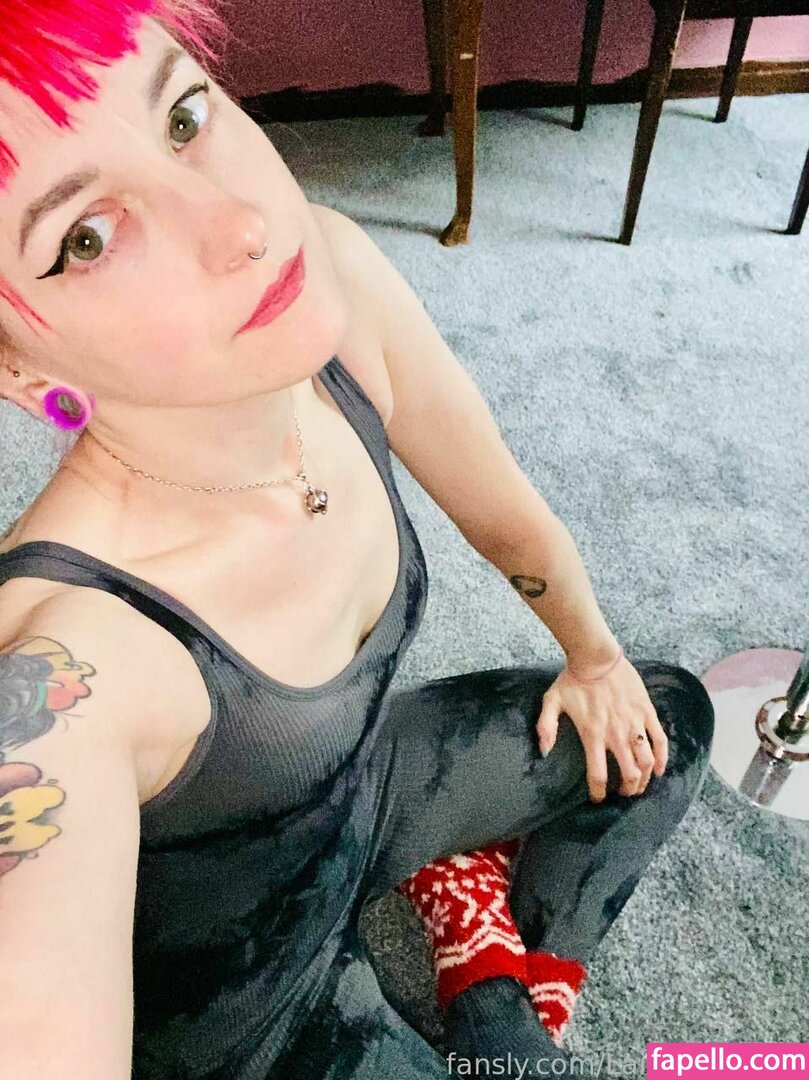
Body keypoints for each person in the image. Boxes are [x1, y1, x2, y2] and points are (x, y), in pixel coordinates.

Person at [0, 2, 716, 1077]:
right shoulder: (66, 668)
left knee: (666, 721)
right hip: (256, 1016)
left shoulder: (326, 269)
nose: (241, 223)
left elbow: (500, 508)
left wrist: (594, 659)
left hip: (366, 788)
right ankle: (489, 1005)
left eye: (184, 117)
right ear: (18, 366)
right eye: (85, 238)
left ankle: (494, 977)